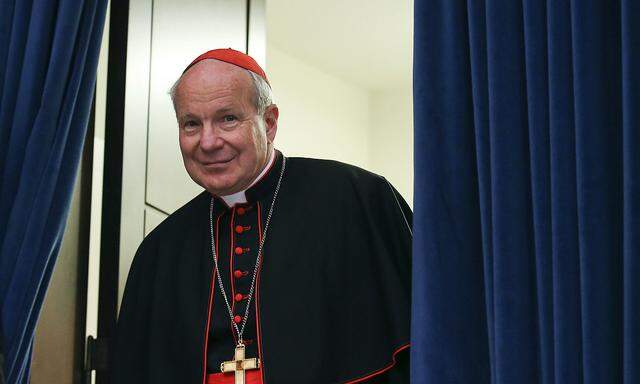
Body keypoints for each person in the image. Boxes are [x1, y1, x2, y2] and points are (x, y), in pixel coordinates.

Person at [112, 48, 412, 384]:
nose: (208, 142)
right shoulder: (159, 250)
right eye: (192, 124)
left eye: (227, 118)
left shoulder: (357, 199)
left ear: (269, 123)